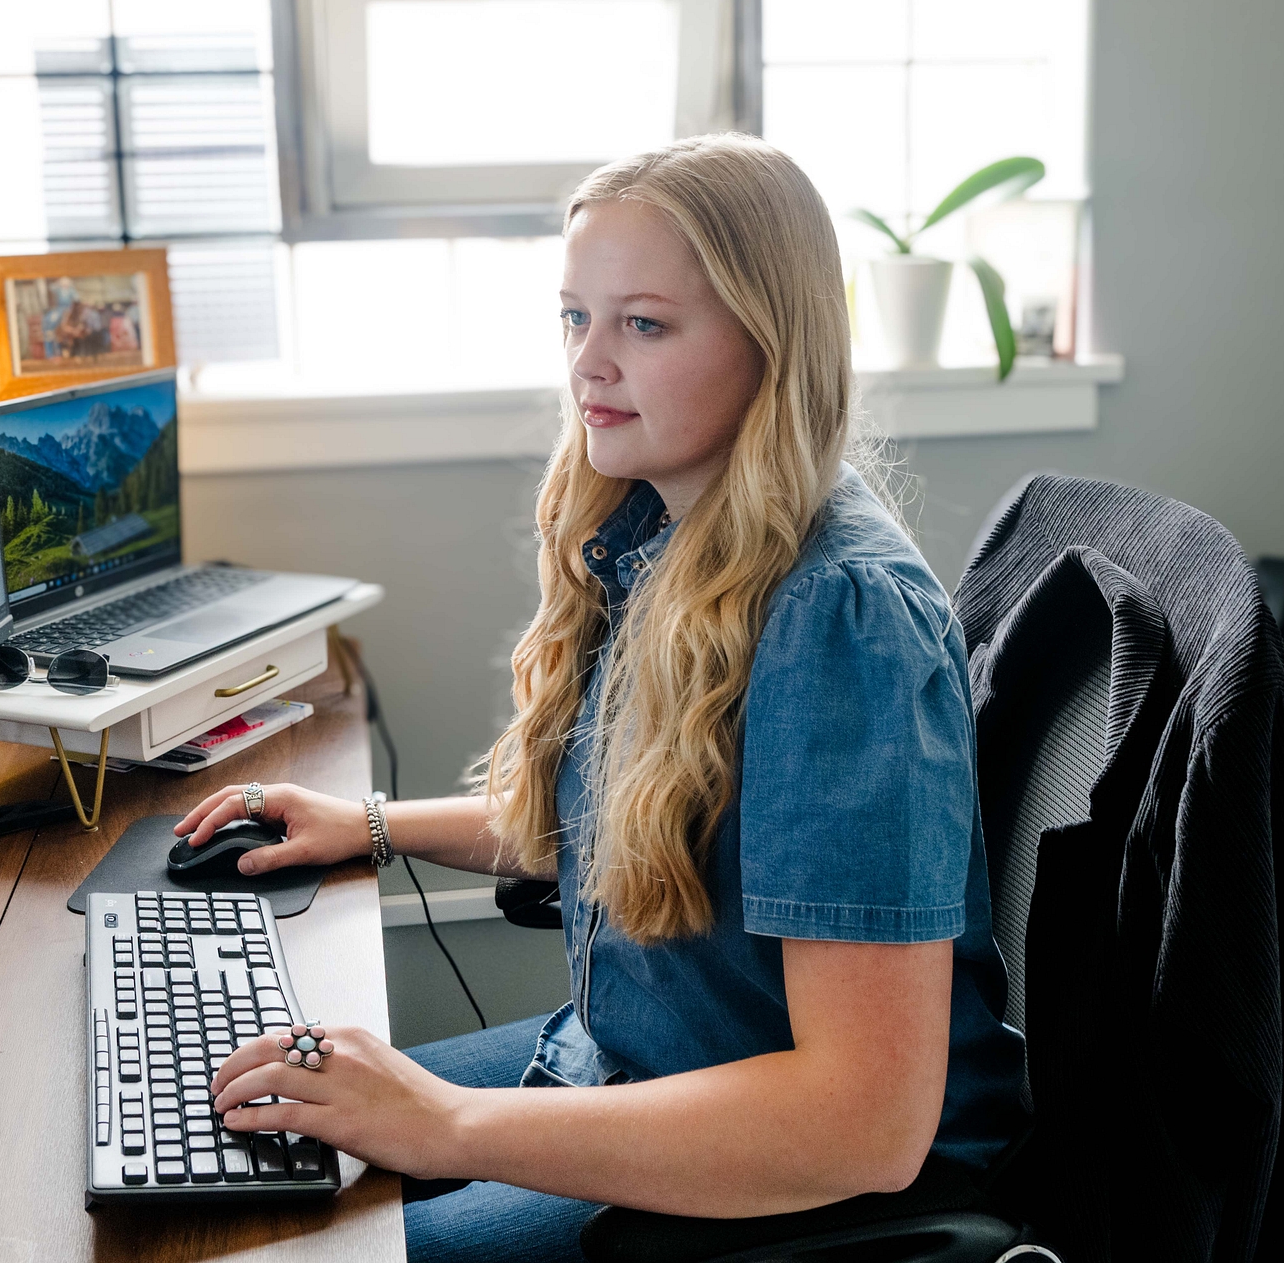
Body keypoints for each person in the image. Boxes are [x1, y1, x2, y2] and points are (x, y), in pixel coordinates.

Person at [174, 135, 1024, 1262]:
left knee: (289, 1244)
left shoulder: (839, 618)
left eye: (645, 323)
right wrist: (371, 825)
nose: (588, 364)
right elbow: (649, 811)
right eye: (575, 317)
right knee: (236, 1172)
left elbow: (862, 1120)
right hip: (633, 1063)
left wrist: (448, 1125)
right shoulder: (672, 531)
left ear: (773, 342)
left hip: (790, 1175)